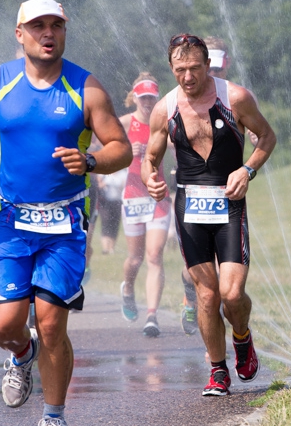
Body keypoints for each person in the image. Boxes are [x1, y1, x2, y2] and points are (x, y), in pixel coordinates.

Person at [0, 0, 132, 426]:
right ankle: (22, 352)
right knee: (4, 326)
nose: (48, 33)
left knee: (52, 323)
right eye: (38, 26)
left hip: (65, 222)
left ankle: (54, 418)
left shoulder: (86, 88)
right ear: (20, 34)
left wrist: (90, 160)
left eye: (56, 25)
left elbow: (121, 147)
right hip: (12, 221)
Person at [143, 34, 276, 397]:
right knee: (206, 296)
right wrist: (150, 178)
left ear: (207, 65)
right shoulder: (165, 108)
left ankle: (242, 337)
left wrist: (247, 170)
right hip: (190, 207)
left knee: (231, 294)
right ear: (171, 68)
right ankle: (218, 370)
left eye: (194, 68)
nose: (187, 77)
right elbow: (150, 158)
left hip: (229, 203)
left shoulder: (235, 98)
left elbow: (266, 137)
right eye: (180, 70)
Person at [118, 73, 172, 337]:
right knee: (135, 258)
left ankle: (152, 316)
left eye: (152, 98)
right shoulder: (125, 123)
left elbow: (178, 145)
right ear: (135, 98)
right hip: (133, 197)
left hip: (158, 195)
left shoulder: (163, 122)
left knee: (154, 255)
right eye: (144, 98)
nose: (148, 103)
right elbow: (99, 147)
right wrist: (127, 151)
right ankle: (128, 288)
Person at [96, 168, 126, 254]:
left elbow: (124, 186)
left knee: (115, 224)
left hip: (117, 202)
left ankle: (111, 248)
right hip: (105, 202)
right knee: (105, 223)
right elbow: (98, 185)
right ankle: (105, 248)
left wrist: (116, 183)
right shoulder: (103, 173)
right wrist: (105, 183)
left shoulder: (123, 173)